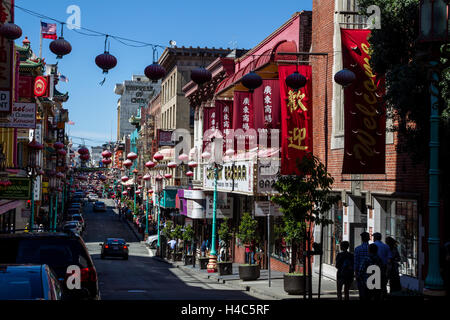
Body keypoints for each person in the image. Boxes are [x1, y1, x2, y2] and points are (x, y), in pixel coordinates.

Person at [354, 231, 370, 300]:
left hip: (361, 273)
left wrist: (356, 273)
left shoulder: (357, 249)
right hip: (371, 273)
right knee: (370, 292)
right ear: (369, 238)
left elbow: (356, 262)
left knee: (361, 291)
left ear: (362, 239)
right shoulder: (372, 248)